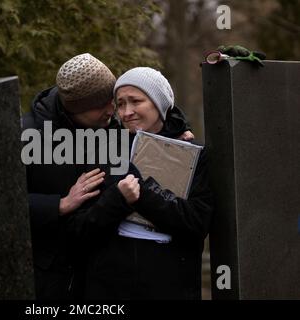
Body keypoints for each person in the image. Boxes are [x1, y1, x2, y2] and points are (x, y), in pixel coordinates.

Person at [23, 54, 194, 300]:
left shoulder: (107, 123)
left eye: (111, 100)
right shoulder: (28, 136)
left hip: (104, 276)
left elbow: (155, 105)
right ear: (75, 109)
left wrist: (177, 130)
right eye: (102, 105)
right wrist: (58, 205)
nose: (114, 111)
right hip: (55, 280)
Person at [67, 67, 214, 300]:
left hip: (170, 288)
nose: (126, 112)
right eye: (121, 104)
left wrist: (142, 195)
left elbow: (196, 223)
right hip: (108, 291)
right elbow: (79, 229)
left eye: (136, 101)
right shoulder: (102, 152)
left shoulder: (194, 155)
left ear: (159, 103)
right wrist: (117, 200)